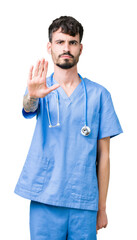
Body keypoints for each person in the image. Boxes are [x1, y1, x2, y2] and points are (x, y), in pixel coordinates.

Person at [14, 16, 123, 240]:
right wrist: (32, 96)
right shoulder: (41, 89)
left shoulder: (99, 95)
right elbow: (28, 106)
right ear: (50, 47)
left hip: (84, 202)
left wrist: (101, 208)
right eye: (60, 42)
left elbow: (104, 157)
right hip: (45, 199)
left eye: (72, 42)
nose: (66, 48)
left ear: (80, 48)